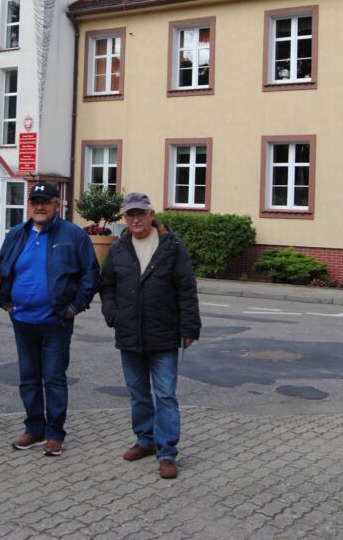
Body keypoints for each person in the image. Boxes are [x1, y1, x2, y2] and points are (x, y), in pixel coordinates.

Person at [99, 192, 201, 479]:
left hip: (164, 334)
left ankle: (167, 451)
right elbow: (106, 286)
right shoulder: (118, 249)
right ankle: (145, 440)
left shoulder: (172, 246)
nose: (135, 219)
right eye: (130, 215)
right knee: (138, 393)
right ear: (124, 218)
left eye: (140, 214)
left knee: (166, 394)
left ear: (152, 214)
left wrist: (190, 328)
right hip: (129, 333)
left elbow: (185, 288)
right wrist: (113, 315)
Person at [0, 181, 99, 456]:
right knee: (28, 377)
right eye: (35, 202)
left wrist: (74, 307)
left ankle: (55, 433)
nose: (40, 206)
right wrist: (3, 301)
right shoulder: (17, 233)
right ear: (30, 206)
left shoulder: (73, 235)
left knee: (53, 378)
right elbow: (1, 268)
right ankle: (34, 429)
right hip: (23, 320)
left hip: (57, 321)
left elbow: (90, 274)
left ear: (57, 204)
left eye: (46, 201)